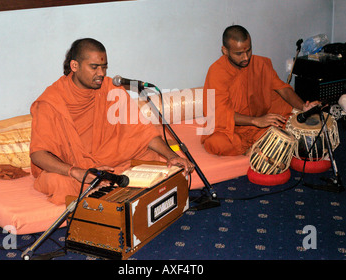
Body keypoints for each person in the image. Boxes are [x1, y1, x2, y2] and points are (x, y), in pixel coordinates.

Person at [30, 38, 194, 205]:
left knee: (151, 157)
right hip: (73, 167)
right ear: (74, 66)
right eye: (94, 67)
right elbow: (38, 154)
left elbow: (141, 130)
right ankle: (105, 185)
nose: (101, 73)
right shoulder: (50, 102)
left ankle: (107, 183)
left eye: (104, 67)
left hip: (111, 161)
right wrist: (78, 172)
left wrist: (171, 156)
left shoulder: (111, 88)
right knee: (59, 183)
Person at [201, 25, 319, 156]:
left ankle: (260, 146)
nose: (246, 57)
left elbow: (283, 89)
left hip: (260, 124)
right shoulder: (216, 72)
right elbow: (220, 113)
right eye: (239, 54)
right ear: (225, 51)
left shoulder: (260, 64)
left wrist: (303, 106)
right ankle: (250, 149)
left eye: (248, 50)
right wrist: (255, 121)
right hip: (231, 129)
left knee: (289, 126)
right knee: (216, 143)